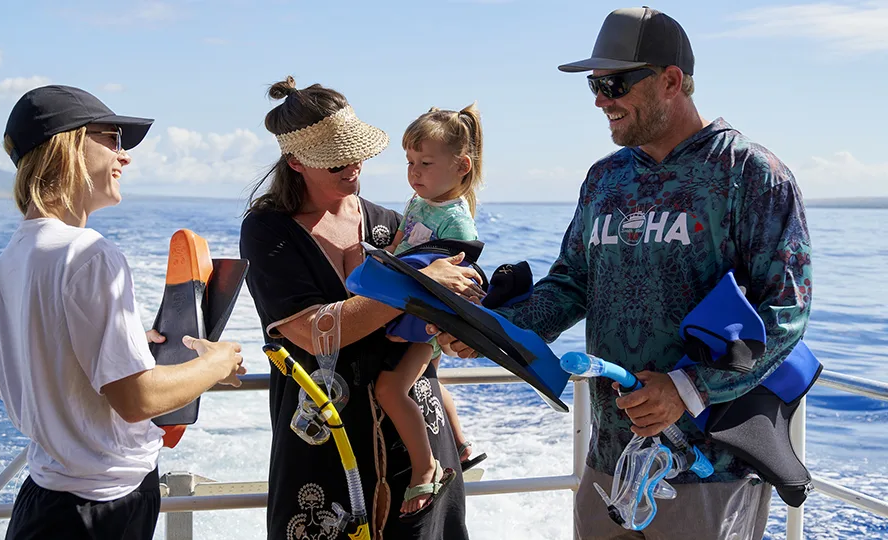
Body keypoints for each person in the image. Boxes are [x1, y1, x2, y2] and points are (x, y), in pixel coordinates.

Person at [436, 7, 812, 539]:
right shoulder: (603, 179)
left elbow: (786, 312)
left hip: (707, 468)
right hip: (609, 460)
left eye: (613, 83)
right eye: (594, 83)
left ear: (671, 81)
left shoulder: (750, 174)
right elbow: (571, 284)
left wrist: (687, 388)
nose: (599, 99)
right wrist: (492, 332)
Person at [0, 85, 246, 540]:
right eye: (112, 139)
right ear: (66, 146)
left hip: (44, 496)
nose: (124, 157)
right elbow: (137, 401)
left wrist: (125, 348)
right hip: (102, 507)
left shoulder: (12, 258)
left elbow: (56, 356)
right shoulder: (89, 254)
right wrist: (216, 362)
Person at [240, 76, 477, 539]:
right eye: (336, 163)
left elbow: (451, 306)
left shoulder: (393, 225)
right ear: (296, 162)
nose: (353, 167)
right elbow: (312, 333)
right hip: (325, 447)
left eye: (356, 155)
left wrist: (459, 326)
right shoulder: (268, 231)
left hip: (420, 445)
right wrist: (416, 287)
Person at [376, 104, 487, 516]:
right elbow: (402, 244)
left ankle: (426, 467)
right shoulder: (418, 203)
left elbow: (461, 284)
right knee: (429, 380)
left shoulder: (458, 225)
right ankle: (460, 444)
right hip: (408, 308)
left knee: (391, 389)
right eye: (409, 162)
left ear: (461, 166)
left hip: (428, 320)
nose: (414, 172)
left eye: (425, 162)